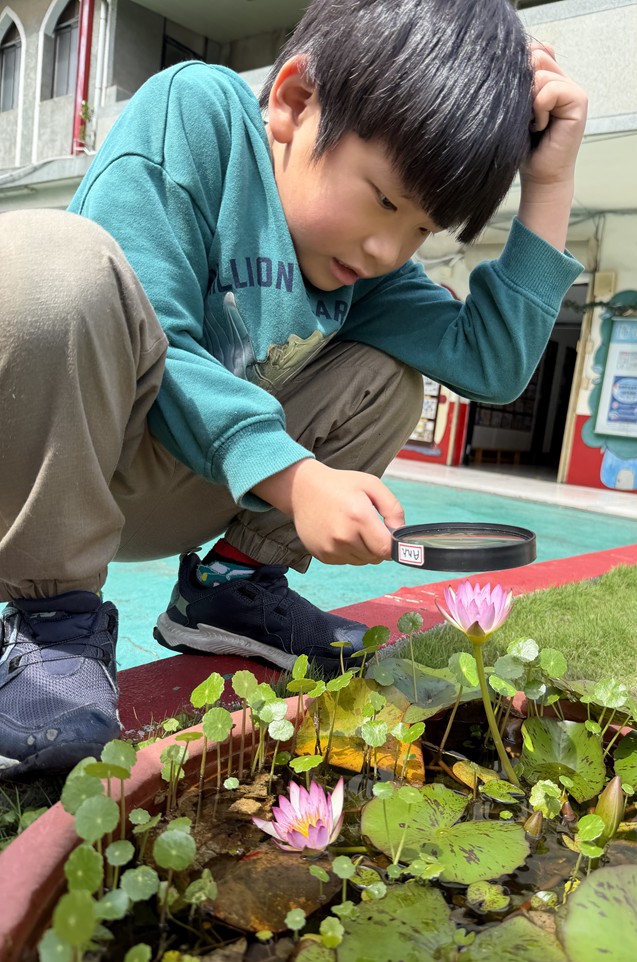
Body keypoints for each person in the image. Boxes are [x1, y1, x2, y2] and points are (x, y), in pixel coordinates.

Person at [0, 0, 587, 777]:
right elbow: (162, 339)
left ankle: (231, 589)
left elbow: (491, 362)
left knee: (386, 379)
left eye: (421, 229)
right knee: (50, 261)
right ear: (295, 101)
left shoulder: (364, 271)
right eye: (384, 200)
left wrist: (551, 179)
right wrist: (298, 479)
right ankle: (51, 621)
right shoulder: (199, 116)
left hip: (176, 490)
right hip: (57, 471)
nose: (387, 249)